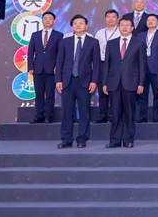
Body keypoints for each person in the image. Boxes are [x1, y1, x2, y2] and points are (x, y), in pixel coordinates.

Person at [55, 15, 100, 148]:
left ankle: (82, 139)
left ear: (86, 26)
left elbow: (96, 64)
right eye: (75, 23)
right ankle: (66, 139)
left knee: (84, 111)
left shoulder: (93, 42)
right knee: (67, 111)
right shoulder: (65, 41)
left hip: (85, 81)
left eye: (81, 23)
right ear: (72, 26)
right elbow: (59, 61)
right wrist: (58, 80)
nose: (78, 25)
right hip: (67, 81)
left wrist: (94, 81)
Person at [103, 17, 146, 148]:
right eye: (122, 25)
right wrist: (104, 83)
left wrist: (141, 83)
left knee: (129, 113)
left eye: (127, 25)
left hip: (131, 83)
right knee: (115, 113)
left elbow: (142, 66)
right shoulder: (111, 43)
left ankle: (128, 139)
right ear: (119, 27)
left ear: (132, 28)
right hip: (114, 83)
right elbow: (106, 65)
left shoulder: (139, 43)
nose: (125, 27)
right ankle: (115, 140)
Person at [28, 11, 63, 124]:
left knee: (50, 94)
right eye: (45, 18)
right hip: (37, 68)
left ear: (54, 21)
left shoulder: (59, 35)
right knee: (38, 93)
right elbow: (30, 52)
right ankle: (39, 115)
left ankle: (48, 116)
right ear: (42, 20)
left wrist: (57, 67)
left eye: (50, 18)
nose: (47, 20)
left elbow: (60, 53)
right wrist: (30, 66)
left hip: (51, 69)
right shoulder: (35, 35)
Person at [137, 14, 158, 123]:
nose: (150, 22)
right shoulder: (140, 35)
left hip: (156, 68)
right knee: (142, 94)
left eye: (153, 20)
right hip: (142, 68)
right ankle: (142, 116)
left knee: (157, 94)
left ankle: (157, 116)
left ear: (157, 22)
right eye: (148, 20)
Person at [94, 9, 121, 123]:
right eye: (108, 17)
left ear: (117, 19)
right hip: (102, 63)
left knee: (115, 90)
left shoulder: (121, 32)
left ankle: (113, 115)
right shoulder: (100, 33)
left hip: (116, 64)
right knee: (102, 91)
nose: (110, 19)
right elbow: (95, 50)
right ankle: (102, 115)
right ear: (105, 19)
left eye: (113, 17)